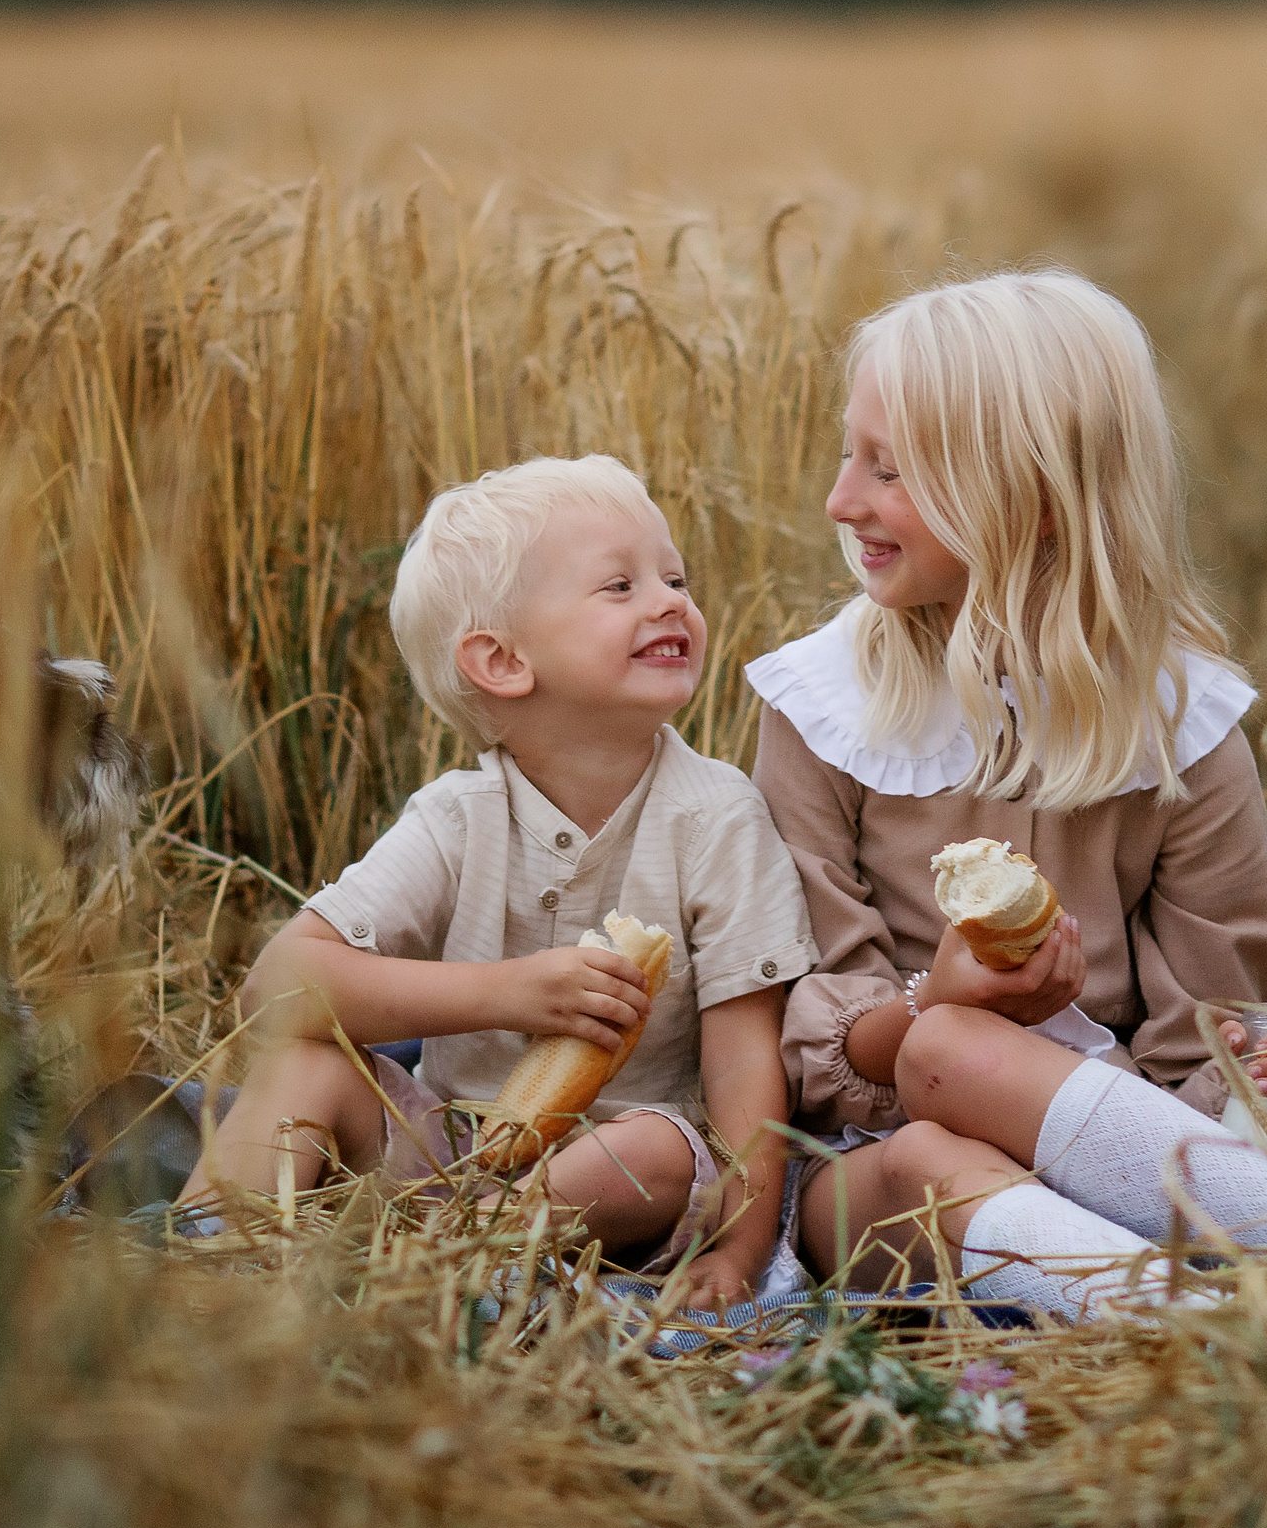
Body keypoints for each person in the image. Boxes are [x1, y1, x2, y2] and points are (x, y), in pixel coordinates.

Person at [746, 269, 1267, 1323]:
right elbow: (800, 1051)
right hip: (873, 1171)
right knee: (942, 1056)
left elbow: (1200, 1039)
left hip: (1101, 1141)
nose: (843, 501)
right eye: (851, 455)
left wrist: (1266, 1079)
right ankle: (1236, 1296)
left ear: (1026, 498)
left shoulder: (1181, 730)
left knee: (992, 1064)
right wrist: (937, 1003)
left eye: (887, 470)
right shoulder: (819, 706)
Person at [180, 455, 817, 1311]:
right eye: (619, 586)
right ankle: (203, 1259)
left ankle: (453, 1261)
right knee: (305, 1059)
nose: (671, 600)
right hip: (445, 1151)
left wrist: (741, 1251)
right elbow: (276, 987)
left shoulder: (717, 818)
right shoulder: (459, 816)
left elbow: (745, 1062)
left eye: (676, 577)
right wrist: (506, 993)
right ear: (502, 661)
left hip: (621, 1176)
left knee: (656, 1148)